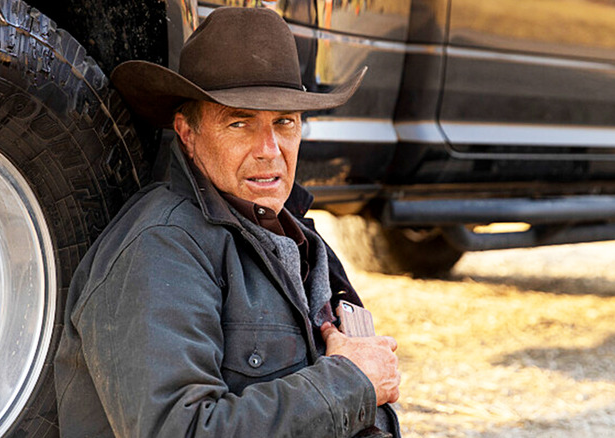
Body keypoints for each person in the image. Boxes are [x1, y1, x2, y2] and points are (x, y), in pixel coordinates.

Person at [54, 6, 401, 438]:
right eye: (240, 122)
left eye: (284, 122)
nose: (269, 149)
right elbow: (181, 430)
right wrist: (350, 383)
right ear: (188, 134)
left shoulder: (297, 236)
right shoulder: (160, 248)